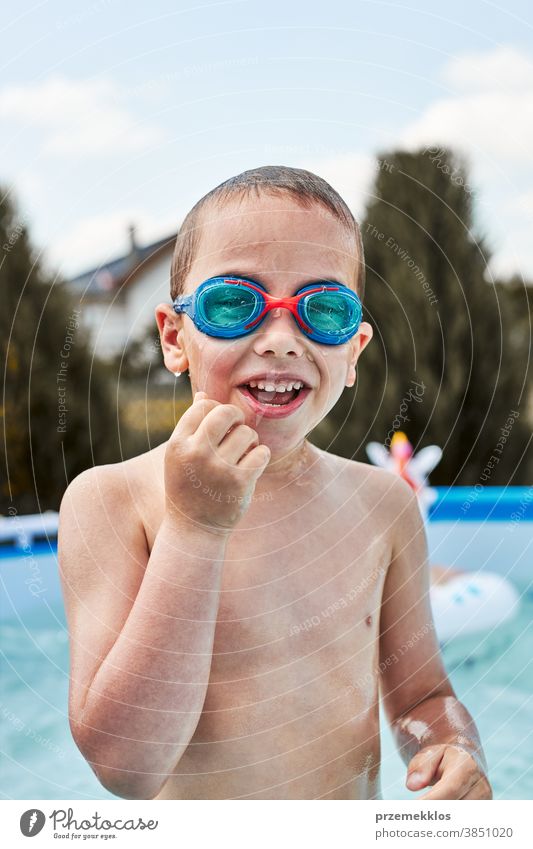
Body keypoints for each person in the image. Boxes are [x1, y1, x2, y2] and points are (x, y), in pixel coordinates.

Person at [58, 165, 492, 801]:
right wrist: (196, 528)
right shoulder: (112, 501)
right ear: (175, 338)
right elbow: (126, 765)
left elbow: (424, 695)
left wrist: (452, 746)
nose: (283, 340)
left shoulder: (383, 507)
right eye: (235, 303)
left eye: (324, 310)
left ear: (354, 352)